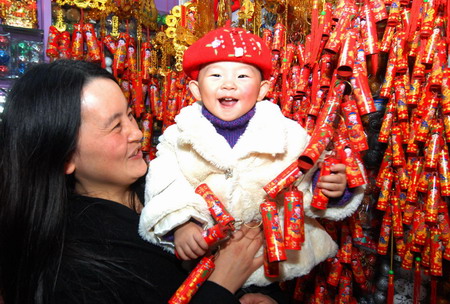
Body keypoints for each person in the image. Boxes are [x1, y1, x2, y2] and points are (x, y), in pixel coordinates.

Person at [0, 59, 280, 304]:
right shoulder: (65, 269)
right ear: (64, 158)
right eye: (115, 126)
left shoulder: (172, 180)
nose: (136, 133)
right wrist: (221, 286)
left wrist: (255, 294)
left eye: (131, 115)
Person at [139, 25, 366, 287]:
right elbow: (165, 183)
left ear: (262, 89)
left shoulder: (288, 134)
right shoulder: (177, 136)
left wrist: (332, 188)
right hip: (209, 263)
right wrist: (183, 224)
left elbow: (309, 179)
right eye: (215, 75)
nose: (228, 84)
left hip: (277, 263)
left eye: (243, 76)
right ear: (195, 89)